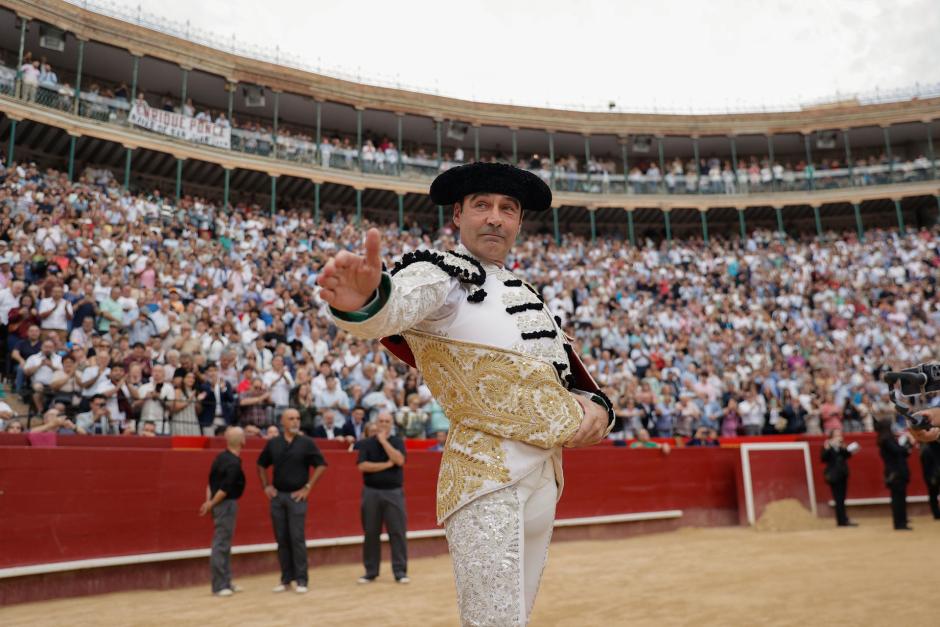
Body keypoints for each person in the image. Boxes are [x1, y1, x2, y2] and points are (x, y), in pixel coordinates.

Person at [320, 162, 613, 624]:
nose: (495, 217)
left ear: (518, 222)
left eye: (507, 209)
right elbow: (395, 305)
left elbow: (572, 378)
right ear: (458, 215)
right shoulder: (441, 275)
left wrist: (597, 407)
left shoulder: (524, 291)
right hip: (486, 478)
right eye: (482, 206)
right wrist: (364, 301)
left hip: (544, 475)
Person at [256, 408, 328, 594]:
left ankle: (302, 579)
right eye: (291, 419)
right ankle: (286, 578)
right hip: (278, 496)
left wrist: (308, 487)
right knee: (282, 538)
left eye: (297, 418)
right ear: (283, 422)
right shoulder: (274, 444)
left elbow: (321, 464)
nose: (296, 422)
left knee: (297, 538)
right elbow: (261, 464)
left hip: (297, 497)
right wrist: (266, 486)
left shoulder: (306, 443)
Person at [356, 410, 408, 584]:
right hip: (371, 492)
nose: (384, 424)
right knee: (371, 532)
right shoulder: (365, 444)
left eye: (387, 421)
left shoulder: (397, 442)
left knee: (397, 532)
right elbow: (363, 466)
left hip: (393, 492)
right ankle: (371, 571)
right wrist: (387, 464)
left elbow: (399, 461)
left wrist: (384, 442)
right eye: (381, 421)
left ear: (391, 424)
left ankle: (400, 571)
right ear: (376, 423)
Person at [200, 426, 246, 597]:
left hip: (219, 503)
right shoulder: (233, 462)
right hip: (225, 504)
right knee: (221, 544)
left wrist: (208, 502)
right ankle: (220, 585)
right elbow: (224, 489)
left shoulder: (220, 457)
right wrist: (211, 503)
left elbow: (210, 483)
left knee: (223, 544)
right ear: (242, 441)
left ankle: (225, 581)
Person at [875, 418, 912, 531]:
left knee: (899, 498)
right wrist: (906, 443)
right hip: (896, 472)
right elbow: (899, 451)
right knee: (898, 498)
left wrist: (906, 446)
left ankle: (902, 520)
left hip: (895, 471)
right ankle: (900, 523)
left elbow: (901, 452)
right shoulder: (887, 440)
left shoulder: (886, 439)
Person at [821, 429, 858, 527]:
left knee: (842, 498)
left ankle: (843, 519)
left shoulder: (841, 445)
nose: (839, 436)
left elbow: (847, 456)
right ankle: (841, 520)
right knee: (838, 499)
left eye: (839, 434)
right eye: (836, 435)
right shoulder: (827, 445)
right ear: (832, 436)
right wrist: (829, 448)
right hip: (833, 476)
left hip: (842, 474)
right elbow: (823, 458)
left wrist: (844, 448)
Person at [919, 439, 940, 520]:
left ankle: (936, 513)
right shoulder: (928, 449)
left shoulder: (925, 449)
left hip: (931, 475)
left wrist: (928, 478)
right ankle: (936, 513)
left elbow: (925, 467)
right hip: (933, 475)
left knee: (933, 495)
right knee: (933, 495)